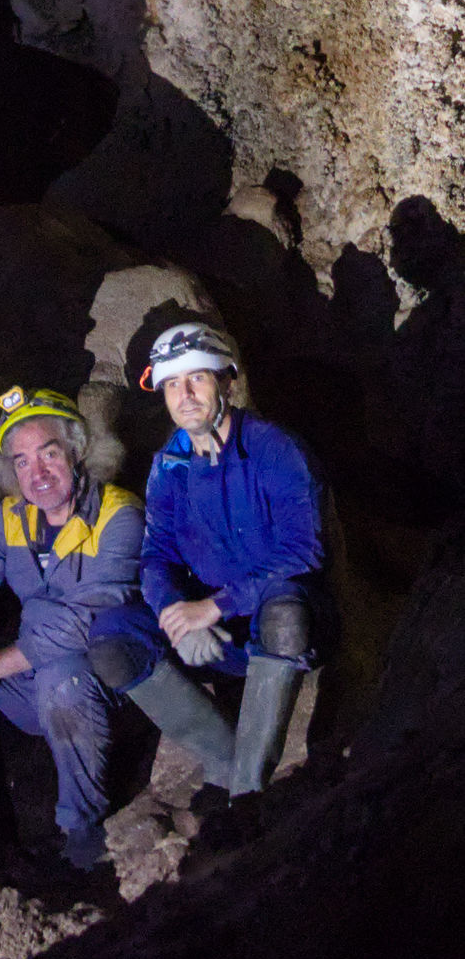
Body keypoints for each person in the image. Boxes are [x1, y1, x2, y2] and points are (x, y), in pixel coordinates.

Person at [86, 323, 331, 798]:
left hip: (276, 620)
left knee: (284, 612)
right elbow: (156, 556)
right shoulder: (169, 464)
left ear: (227, 382)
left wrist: (215, 606)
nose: (185, 394)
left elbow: (304, 552)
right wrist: (174, 613)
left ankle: (247, 788)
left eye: (197, 378)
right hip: (212, 636)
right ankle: (223, 757)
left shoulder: (274, 450)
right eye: (173, 384)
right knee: (111, 640)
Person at [0, 388, 144, 869]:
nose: (37, 474)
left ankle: (82, 829)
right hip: (35, 676)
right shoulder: (14, 518)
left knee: (61, 678)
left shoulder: (121, 516)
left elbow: (79, 625)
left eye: (49, 454)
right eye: (21, 461)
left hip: (110, 681)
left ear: (78, 452)